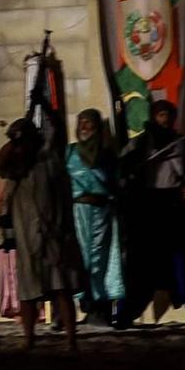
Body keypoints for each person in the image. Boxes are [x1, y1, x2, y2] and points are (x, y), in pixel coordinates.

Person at [0, 117, 83, 351]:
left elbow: (63, 195)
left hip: (52, 231)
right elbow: (3, 168)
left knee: (61, 287)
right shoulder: (16, 166)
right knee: (28, 289)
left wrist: (62, 227)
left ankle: (71, 339)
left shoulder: (49, 162)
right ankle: (29, 337)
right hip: (26, 233)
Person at [121, 99, 185, 325]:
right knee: (142, 262)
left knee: (183, 259)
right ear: (154, 117)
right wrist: (133, 169)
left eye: (168, 115)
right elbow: (123, 170)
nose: (165, 119)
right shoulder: (140, 143)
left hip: (176, 205)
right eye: (161, 115)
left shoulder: (183, 144)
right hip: (149, 206)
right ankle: (128, 312)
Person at [66, 109, 125, 325]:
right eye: (81, 122)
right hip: (77, 212)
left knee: (100, 259)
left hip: (101, 212)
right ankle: (86, 306)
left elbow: (116, 183)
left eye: (89, 123)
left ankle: (101, 309)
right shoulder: (70, 152)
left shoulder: (107, 155)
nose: (84, 127)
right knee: (81, 260)